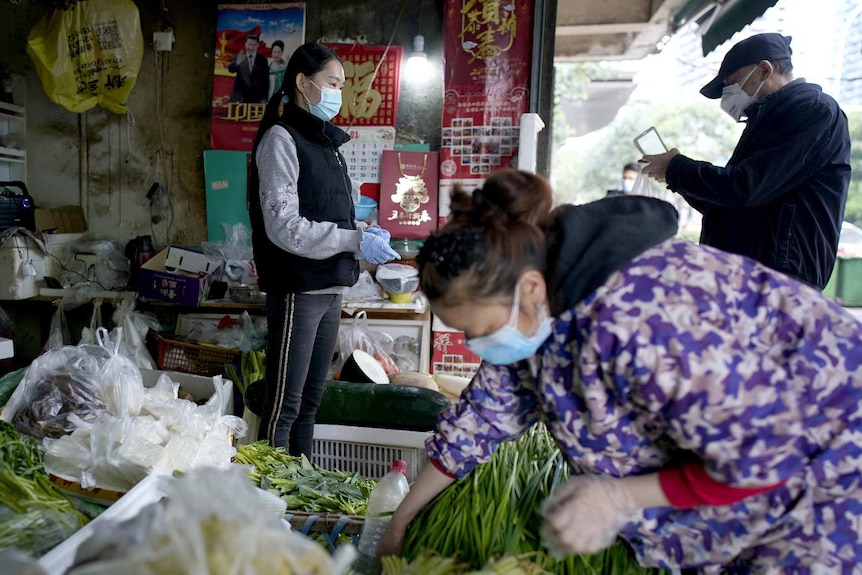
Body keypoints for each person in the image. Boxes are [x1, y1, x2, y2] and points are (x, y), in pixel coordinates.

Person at [376, 169, 862, 572]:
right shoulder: (547, 302)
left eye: (478, 330)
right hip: (746, 478)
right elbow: (484, 417)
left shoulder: (649, 315)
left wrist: (616, 497)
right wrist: (403, 517)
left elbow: (761, 455)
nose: (474, 345)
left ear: (527, 290)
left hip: (830, 474)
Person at [247, 42, 400, 457]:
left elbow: (333, 210)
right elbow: (284, 226)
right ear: (302, 82)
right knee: (285, 404)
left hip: (331, 285)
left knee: (311, 402)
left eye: (341, 85)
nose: (338, 94)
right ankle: (268, 497)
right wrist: (353, 239)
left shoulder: (327, 143)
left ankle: (299, 484)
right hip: (299, 287)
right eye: (332, 83)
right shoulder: (281, 139)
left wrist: (365, 229)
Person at [640, 33, 851, 291]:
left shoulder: (812, 111)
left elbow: (746, 188)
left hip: (779, 279)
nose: (727, 96)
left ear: (764, 70)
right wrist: (674, 177)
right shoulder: (768, 120)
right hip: (751, 273)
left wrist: (676, 168)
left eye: (732, 84)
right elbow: (729, 204)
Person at [228, 33, 270, 103]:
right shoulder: (239, 56)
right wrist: (237, 62)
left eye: (253, 45)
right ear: (245, 44)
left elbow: (265, 80)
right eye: (249, 44)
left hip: (256, 99)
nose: (251, 47)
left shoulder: (263, 60)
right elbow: (231, 69)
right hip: (239, 97)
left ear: (257, 45)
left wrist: (264, 97)